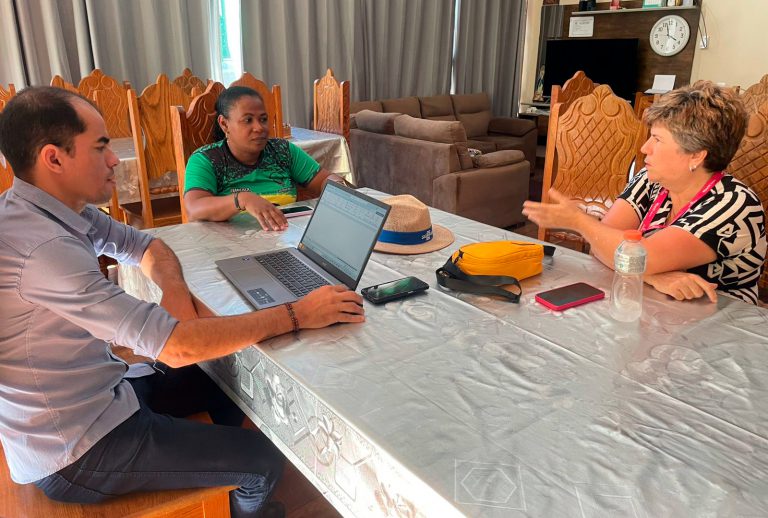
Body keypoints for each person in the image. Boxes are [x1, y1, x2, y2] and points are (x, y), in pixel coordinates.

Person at [0, 87, 365, 517]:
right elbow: (177, 347)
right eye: (101, 147)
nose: (115, 159)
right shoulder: (43, 251)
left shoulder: (53, 209)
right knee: (263, 460)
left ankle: (214, 475)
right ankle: (235, 493)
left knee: (225, 380)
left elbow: (145, 245)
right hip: (77, 448)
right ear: (54, 159)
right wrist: (298, 313)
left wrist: (174, 295)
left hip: (101, 393)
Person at [523, 81, 766, 305]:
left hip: (718, 321)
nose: (644, 148)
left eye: (657, 140)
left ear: (696, 155)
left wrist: (579, 221)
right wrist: (653, 276)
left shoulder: (735, 204)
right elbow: (601, 245)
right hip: (650, 307)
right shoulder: (653, 180)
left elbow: (639, 256)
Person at [183, 86, 347, 230]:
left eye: (263, 119)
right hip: (229, 244)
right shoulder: (206, 159)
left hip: (285, 236)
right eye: (248, 120)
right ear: (224, 124)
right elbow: (194, 209)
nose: (259, 127)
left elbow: (323, 179)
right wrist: (243, 200)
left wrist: (340, 187)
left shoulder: (282, 151)